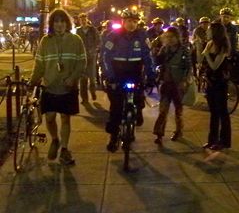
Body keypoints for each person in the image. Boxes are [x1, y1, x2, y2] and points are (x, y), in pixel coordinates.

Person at [30, 8, 86, 165]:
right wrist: (34, 80)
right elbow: (39, 64)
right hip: (50, 86)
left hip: (68, 87)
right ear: (52, 24)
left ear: (67, 23)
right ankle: (55, 139)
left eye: (62, 21)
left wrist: (73, 78)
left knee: (65, 118)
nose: (59, 24)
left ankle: (64, 149)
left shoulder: (76, 40)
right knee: (49, 117)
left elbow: (82, 62)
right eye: (56, 21)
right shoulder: (45, 41)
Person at [102, 9, 155, 152]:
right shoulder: (113, 36)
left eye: (134, 21)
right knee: (116, 107)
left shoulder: (142, 36)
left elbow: (148, 56)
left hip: (135, 70)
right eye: (128, 21)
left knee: (139, 95)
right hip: (117, 72)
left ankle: (138, 111)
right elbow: (105, 56)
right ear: (123, 22)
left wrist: (151, 76)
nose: (131, 24)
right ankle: (113, 136)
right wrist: (109, 76)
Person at [153, 27, 192, 145]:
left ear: (177, 37)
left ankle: (178, 131)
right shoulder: (165, 49)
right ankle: (159, 134)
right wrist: (155, 51)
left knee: (178, 110)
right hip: (166, 82)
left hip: (178, 83)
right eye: (167, 37)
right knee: (163, 110)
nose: (169, 39)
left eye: (171, 37)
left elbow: (188, 66)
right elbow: (157, 62)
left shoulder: (184, 49)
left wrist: (185, 80)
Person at [201, 22, 232, 150]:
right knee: (213, 112)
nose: (207, 32)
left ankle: (224, 140)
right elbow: (201, 60)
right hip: (210, 82)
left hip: (220, 82)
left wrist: (207, 54)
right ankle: (212, 139)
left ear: (215, 32)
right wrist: (199, 49)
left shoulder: (223, 46)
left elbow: (215, 66)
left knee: (222, 111)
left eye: (209, 30)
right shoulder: (210, 44)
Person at [76, 13, 101, 103]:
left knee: (92, 76)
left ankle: (93, 92)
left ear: (86, 19)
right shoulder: (78, 31)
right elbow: (76, 42)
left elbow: (98, 40)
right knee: (83, 79)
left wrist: (94, 49)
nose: (83, 21)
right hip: (82, 57)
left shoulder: (92, 29)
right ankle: (84, 98)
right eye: (81, 20)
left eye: (84, 19)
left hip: (91, 56)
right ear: (79, 21)